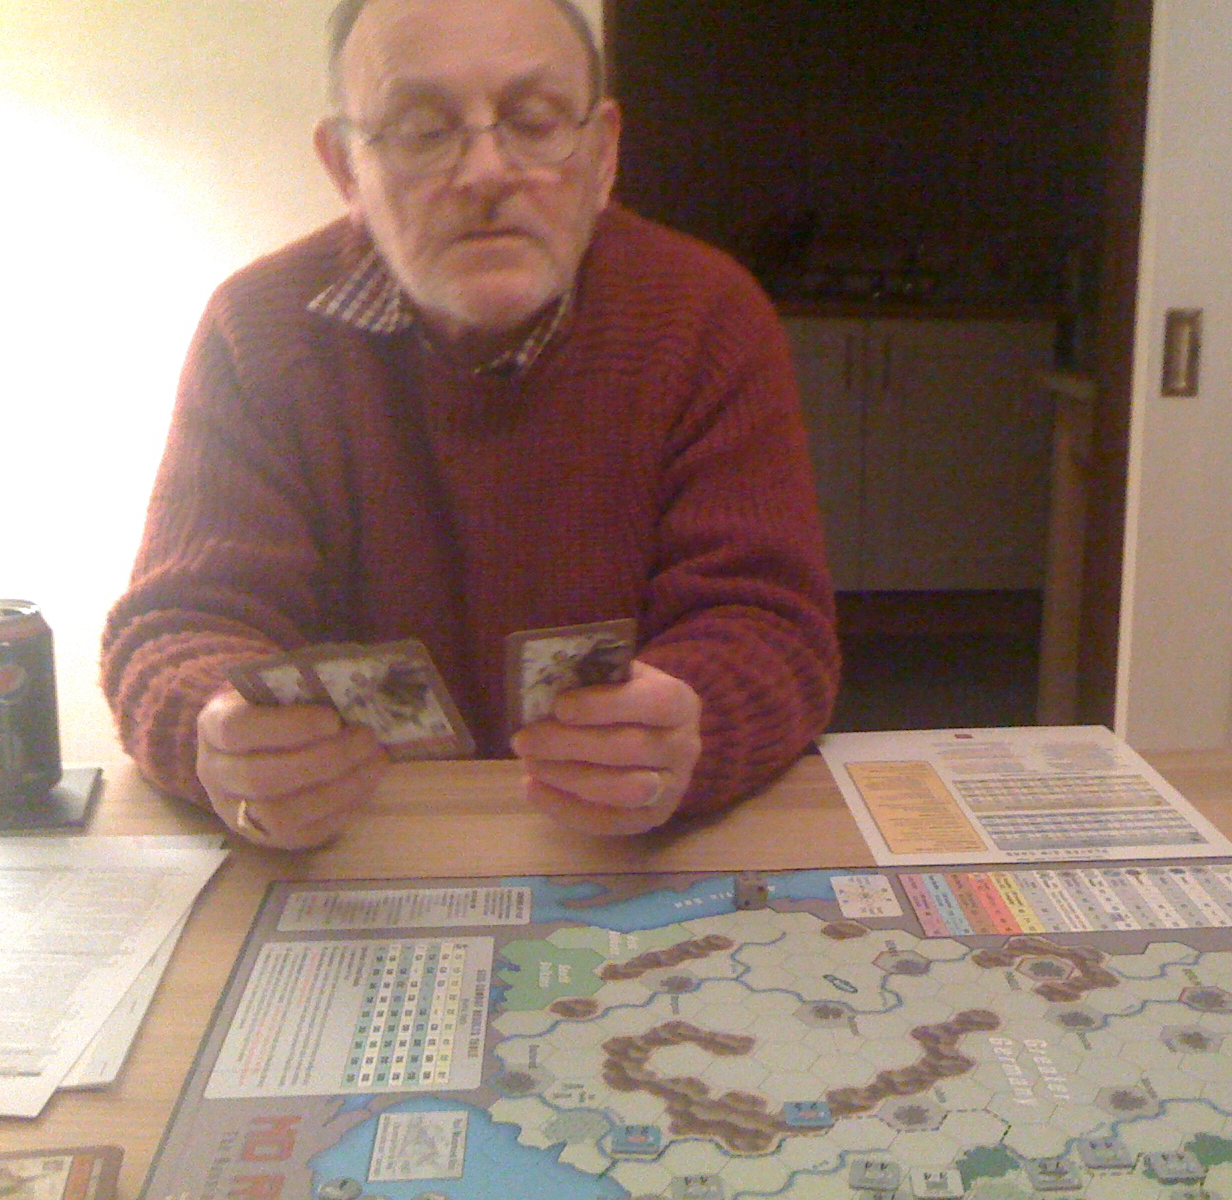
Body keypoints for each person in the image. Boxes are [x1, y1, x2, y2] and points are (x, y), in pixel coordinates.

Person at [101, 0, 839, 848]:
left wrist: (692, 727)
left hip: (630, 851)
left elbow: (774, 629)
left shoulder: (708, 315)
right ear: (345, 167)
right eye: (422, 130)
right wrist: (216, 732)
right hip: (360, 853)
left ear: (602, 152)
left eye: (535, 121)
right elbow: (172, 630)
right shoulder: (256, 330)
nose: (487, 171)